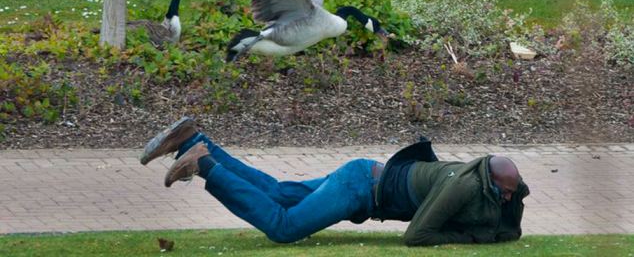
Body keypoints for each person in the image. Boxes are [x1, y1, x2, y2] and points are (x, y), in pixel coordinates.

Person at [140, 117, 530, 246]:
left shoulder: (487, 179)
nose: (507, 196)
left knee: (278, 192)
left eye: (512, 192)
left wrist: (512, 203)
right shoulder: (462, 185)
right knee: (283, 227)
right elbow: (417, 236)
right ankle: (203, 165)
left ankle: (194, 140)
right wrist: (468, 239)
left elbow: (511, 228)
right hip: (359, 188)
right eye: (503, 191)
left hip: (362, 176)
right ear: (487, 179)